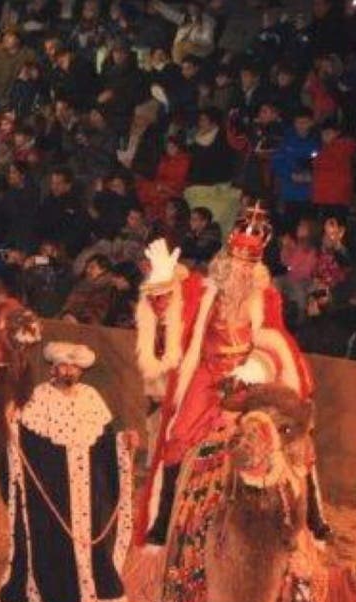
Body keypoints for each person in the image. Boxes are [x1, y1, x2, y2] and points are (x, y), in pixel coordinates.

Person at [136, 205, 327, 552]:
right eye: (236, 260)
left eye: (249, 263)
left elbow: (276, 338)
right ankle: (162, 524)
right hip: (207, 373)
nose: (241, 269)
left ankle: (313, 518)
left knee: (291, 433)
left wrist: (257, 365)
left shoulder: (267, 297)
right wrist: (161, 282)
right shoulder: (201, 288)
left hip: (250, 377)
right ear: (225, 259)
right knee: (179, 435)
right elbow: (168, 314)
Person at [0, 341, 135, 602]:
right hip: (55, 491)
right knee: (57, 542)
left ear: (81, 370)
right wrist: (12, 421)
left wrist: (122, 441)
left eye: (74, 366)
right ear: (52, 368)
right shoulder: (40, 397)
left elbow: (105, 437)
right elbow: (27, 438)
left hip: (89, 491)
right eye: (63, 365)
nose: (68, 370)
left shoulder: (91, 397)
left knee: (95, 543)